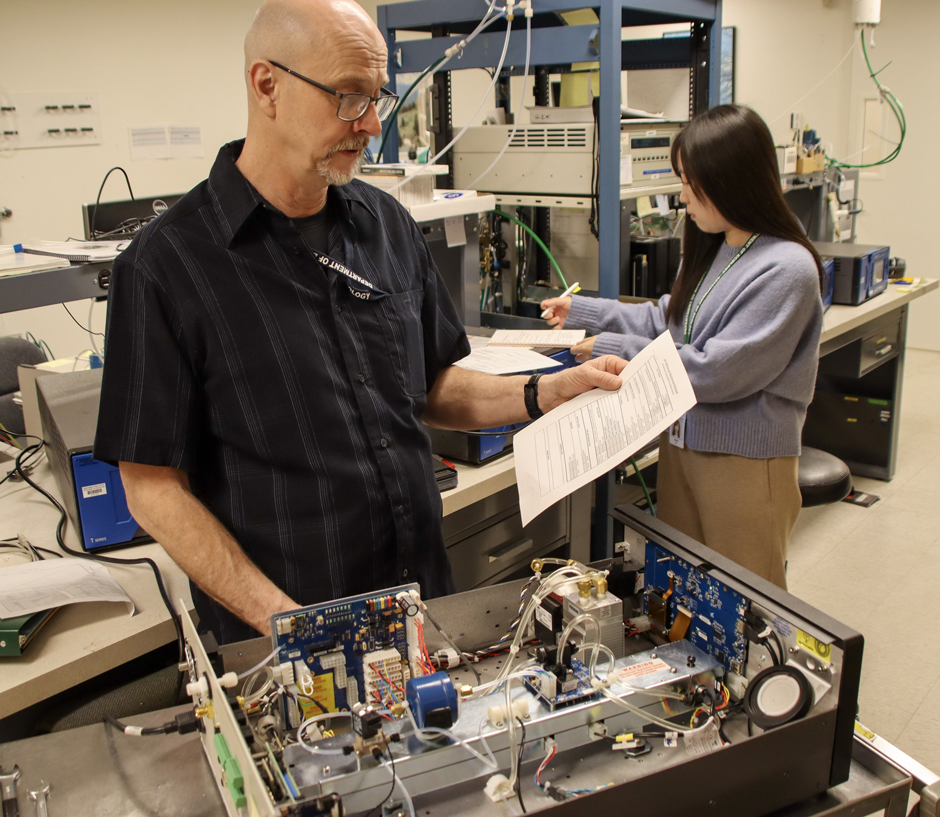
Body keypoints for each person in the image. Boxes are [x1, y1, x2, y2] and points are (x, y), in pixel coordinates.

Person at [92, 0, 626, 644]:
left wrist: (541, 393)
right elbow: (152, 488)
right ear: (267, 86)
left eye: (377, 97)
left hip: (422, 601)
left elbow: (428, 385)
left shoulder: (387, 225)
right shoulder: (165, 267)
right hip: (288, 632)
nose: (371, 123)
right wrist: (291, 626)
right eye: (348, 97)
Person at [541, 105, 824, 589]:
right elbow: (668, 321)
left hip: (744, 467)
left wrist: (609, 348)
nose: (682, 195)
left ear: (729, 180)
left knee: (742, 608)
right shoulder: (724, 249)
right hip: (684, 451)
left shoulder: (787, 269)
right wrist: (583, 312)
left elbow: (716, 370)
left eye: (690, 182)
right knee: (683, 599)